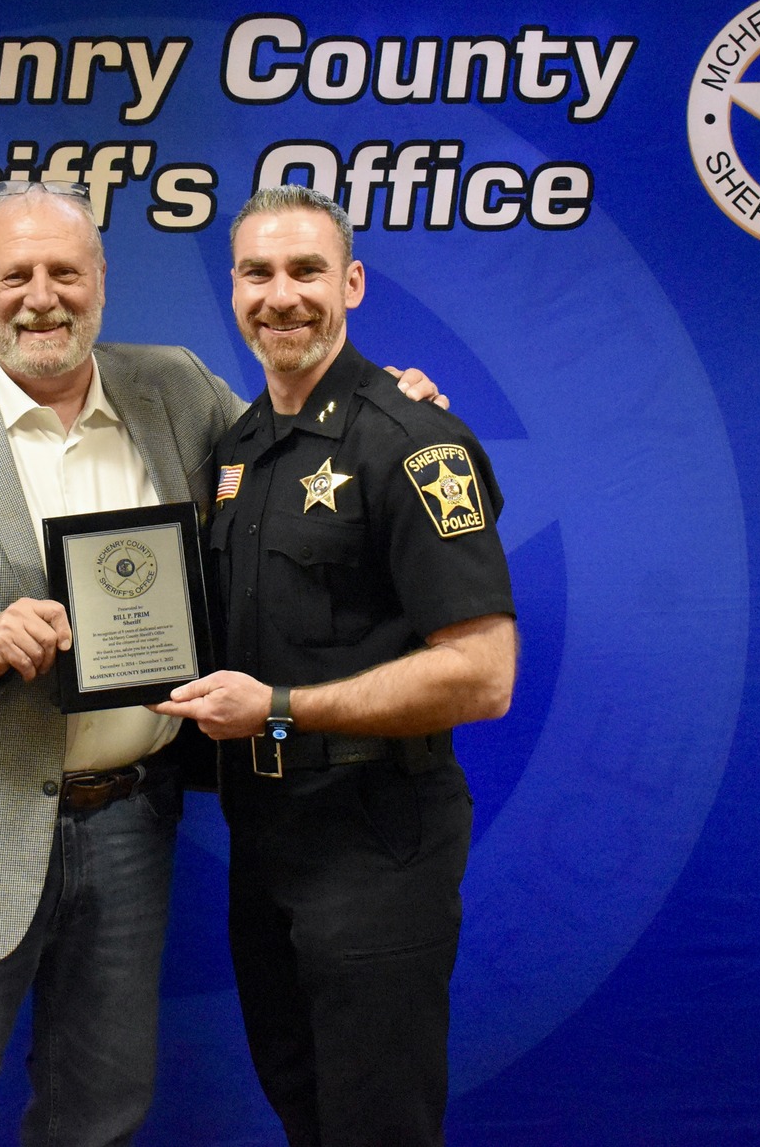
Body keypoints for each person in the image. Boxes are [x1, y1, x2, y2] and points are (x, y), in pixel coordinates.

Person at [0, 181, 444, 1147]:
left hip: (130, 819)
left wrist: (387, 408)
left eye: (66, 271)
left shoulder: (175, 387)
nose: (42, 296)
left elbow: (291, 443)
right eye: (17, 274)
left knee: (99, 1117)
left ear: (102, 281)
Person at [156, 185, 517, 1147]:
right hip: (267, 838)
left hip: (377, 837)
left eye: (307, 270)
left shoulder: (414, 441)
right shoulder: (240, 449)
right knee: (303, 1106)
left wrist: (278, 707)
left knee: (376, 1124)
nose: (283, 296)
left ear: (350, 282)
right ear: (233, 292)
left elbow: (484, 674)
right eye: (257, 273)